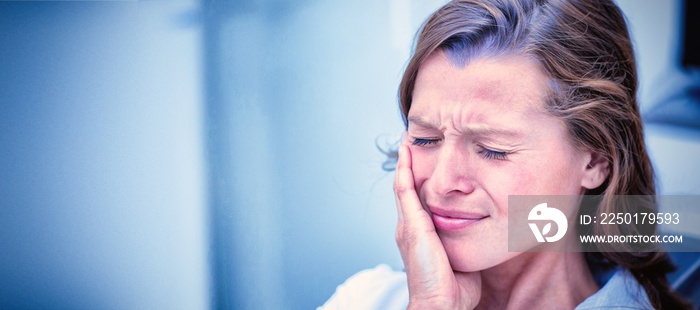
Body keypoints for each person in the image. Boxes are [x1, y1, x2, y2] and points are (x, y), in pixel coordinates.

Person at [320, 0, 692, 309]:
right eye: (425, 138)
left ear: (595, 161)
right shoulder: (365, 298)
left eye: (493, 150)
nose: (442, 182)